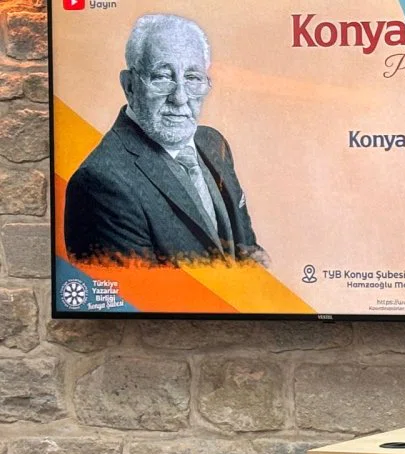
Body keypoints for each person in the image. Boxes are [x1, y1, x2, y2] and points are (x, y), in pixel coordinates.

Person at [64, 14, 269, 266]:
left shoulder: (213, 142)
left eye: (193, 77)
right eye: (162, 76)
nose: (180, 98)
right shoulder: (101, 183)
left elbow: (247, 251)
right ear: (129, 86)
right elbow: (139, 290)